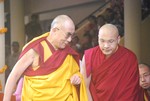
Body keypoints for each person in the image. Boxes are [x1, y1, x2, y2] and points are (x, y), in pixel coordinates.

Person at [3, 15, 88, 101]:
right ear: (55, 30)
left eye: (72, 36)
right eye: (67, 35)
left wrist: (77, 77)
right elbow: (14, 75)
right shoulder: (36, 49)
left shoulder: (69, 53)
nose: (70, 40)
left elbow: (78, 73)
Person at [81, 24, 143, 101]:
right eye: (102, 40)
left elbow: (131, 91)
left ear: (118, 39)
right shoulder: (89, 56)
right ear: (98, 39)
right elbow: (85, 88)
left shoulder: (129, 58)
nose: (106, 46)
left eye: (110, 41)